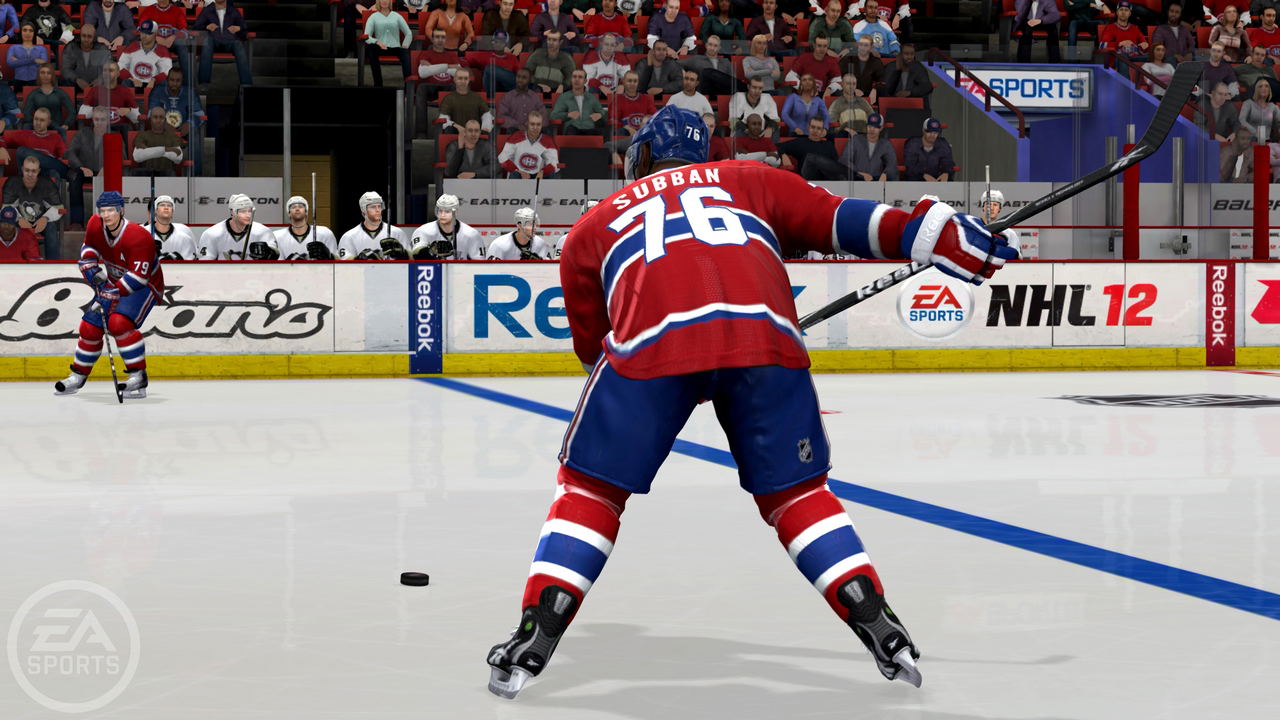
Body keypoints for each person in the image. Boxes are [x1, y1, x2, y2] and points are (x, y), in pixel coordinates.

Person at [485, 104, 1014, 700]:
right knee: (798, 495)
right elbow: (845, 220)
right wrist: (930, 234)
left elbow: (592, 348)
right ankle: (879, 624)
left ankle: (537, 632)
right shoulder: (750, 178)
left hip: (652, 349)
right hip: (765, 338)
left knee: (592, 489)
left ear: (643, 156)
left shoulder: (592, 225)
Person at [53, 191, 161, 400]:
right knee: (89, 326)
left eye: (111, 210)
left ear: (121, 211)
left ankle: (138, 376)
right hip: (113, 283)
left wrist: (113, 292)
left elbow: (139, 278)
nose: (106, 215)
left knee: (119, 323)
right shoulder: (95, 224)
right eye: (102, 211)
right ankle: (78, 375)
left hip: (145, 286)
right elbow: (89, 247)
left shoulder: (139, 236)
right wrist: (89, 265)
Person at [3, 155, 62, 259]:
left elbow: (61, 209)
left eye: (34, 171)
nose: (30, 174)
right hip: (17, 221)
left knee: (51, 227)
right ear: (22, 169)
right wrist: (18, 219)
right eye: (27, 170)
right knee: (8, 225)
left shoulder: (47, 184)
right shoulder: (12, 182)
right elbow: (6, 208)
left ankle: (53, 263)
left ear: (39, 171)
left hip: (40, 221)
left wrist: (45, 218)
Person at [198, 194, 281, 260]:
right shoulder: (212, 234)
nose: (248, 215)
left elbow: (275, 254)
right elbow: (205, 264)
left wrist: (269, 252)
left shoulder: (263, 231)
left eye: (250, 211)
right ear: (232, 212)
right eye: (243, 211)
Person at [65, 107, 107, 229]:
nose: (99, 123)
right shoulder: (82, 133)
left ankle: (106, 222)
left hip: (105, 171)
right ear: (92, 119)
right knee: (74, 177)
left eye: (102, 119)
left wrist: (106, 167)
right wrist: (81, 167)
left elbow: (121, 156)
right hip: (84, 170)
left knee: (114, 177)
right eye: (97, 119)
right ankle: (77, 222)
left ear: (107, 120)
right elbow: (70, 153)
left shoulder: (114, 135)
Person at [411, 193, 487, 259]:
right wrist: (430, 252)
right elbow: (416, 254)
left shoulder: (471, 234)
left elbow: (479, 263)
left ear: (456, 211)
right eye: (440, 211)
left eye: (447, 211)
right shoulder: (423, 231)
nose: (442, 215)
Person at [337, 191, 410, 260]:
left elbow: (411, 261)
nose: (378, 210)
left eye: (379, 206)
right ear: (363, 210)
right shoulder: (349, 237)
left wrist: (404, 254)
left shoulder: (397, 233)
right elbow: (343, 264)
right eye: (373, 207)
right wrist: (358, 260)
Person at [195, 0, 253, 87]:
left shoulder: (233, 11)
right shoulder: (207, 10)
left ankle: (247, 86)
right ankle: (204, 85)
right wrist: (206, 27)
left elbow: (244, 27)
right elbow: (196, 27)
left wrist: (239, 28)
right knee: (207, 42)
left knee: (238, 44)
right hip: (213, 40)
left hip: (230, 41)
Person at [0, 106, 67, 178]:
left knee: (53, 173)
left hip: (45, 175)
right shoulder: (24, 135)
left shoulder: (56, 138)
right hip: (27, 173)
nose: (38, 123)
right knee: (21, 151)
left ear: (48, 122)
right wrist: (1, 148)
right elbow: (2, 138)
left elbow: (64, 156)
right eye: (36, 119)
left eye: (42, 120)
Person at [607, 70, 657, 163]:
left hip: (644, 137)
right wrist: (626, 127)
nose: (632, 84)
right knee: (611, 141)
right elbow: (612, 121)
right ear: (624, 82)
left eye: (635, 81)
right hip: (628, 137)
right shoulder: (617, 100)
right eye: (629, 81)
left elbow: (656, 117)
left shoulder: (646, 99)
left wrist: (645, 123)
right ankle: (620, 167)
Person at [363, 0, 413, 87]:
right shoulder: (373, 17)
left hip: (395, 47)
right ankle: (378, 84)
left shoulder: (397, 16)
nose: (384, 1)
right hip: (380, 47)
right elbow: (366, 36)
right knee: (371, 49)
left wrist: (405, 45)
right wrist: (377, 42)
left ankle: (408, 88)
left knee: (405, 52)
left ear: (390, 1)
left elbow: (408, 33)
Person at [275, 196, 338, 260]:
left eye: (300, 206)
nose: (297, 209)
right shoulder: (277, 236)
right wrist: (288, 263)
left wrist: (329, 256)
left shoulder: (325, 233)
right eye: (293, 207)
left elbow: (338, 260)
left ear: (306, 212)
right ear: (289, 213)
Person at [499, 110, 560, 178]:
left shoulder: (547, 141)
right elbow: (502, 157)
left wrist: (543, 172)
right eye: (532, 124)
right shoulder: (516, 137)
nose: (535, 127)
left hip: (538, 176)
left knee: (552, 174)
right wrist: (517, 170)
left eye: (538, 124)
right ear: (527, 123)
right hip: (519, 175)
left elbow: (554, 163)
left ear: (542, 125)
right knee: (514, 174)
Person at [82, 62, 140, 130]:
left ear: (118, 74)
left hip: (120, 128)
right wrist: (94, 110)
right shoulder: (95, 90)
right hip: (99, 127)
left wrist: (129, 110)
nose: (107, 73)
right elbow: (82, 112)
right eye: (105, 70)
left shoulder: (125, 91)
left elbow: (137, 116)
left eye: (111, 70)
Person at [149, 67, 206, 137]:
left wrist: (190, 123)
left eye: (178, 80)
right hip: (162, 130)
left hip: (184, 130)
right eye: (172, 80)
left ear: (182, 81)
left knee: (194, 130)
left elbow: (199, 113)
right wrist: (164, 124)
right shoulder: (158, 91)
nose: (175, 83)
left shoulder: (189, 93)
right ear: (167, 80)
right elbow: (151, 112)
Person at [118, 20, 173, 91]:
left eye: (148, 33)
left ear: (155, 34)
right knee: (126, 82)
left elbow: (167, 71)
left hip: (152, 84)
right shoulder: (132, 46)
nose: (144, 36)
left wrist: (154, 80)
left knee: (164, 84)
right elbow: (120, 66)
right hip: (133, 82)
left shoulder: (162, 50)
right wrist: (131, 78)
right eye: (142, 32)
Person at [841, 111, 897, 180]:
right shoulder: (855, 140)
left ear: (881, 128)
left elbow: (892, 162)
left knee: (893, 176)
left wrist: (885, 173)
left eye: (875, 127)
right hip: (857, 178)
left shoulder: (886, 144)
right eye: (870, 126)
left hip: (877, 179)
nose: (872, 129)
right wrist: (859, 173)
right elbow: (845, 160)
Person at [131, 106, 184, 175]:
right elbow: (137, 157)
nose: (158, 120)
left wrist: (149, 151)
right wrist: (167, 149)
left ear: (165, 120)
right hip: (145, 173)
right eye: (155, 117)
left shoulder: (172, 137)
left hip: (167, 174)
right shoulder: (142, 135)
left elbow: (178, 158)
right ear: (150, 119)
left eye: (161, 117)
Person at [551, 69, 607, 134]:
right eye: (574, 77)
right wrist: (567, 115)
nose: (576, 79)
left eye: (580, 77)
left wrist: (600, 115)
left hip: (590, 128)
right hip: (572, 128)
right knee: (571, 129)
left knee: (604, 131)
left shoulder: (592, 98)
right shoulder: (564, 97)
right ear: (571, 80)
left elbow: (602, 112)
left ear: (585, 81)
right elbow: (554, 115)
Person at [144, 194, 198, 261]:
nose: (166, 208)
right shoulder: (143, 233)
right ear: (155, 211)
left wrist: (178, 260)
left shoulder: (185, 238)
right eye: (162, 205)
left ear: (172, 211)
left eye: (169, 206)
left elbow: (191, 262)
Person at [487, 206, 553, 259]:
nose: (534, 227)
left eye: (535, 224)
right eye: (530, 224)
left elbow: (549, 269)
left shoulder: (541, 244)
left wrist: (538, 263)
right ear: (519, 225)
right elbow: (491, 270)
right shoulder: (499, 245)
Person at [62, 24, 112, 93]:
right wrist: (77, 79)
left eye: (89, 36)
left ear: (94, 37)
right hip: (75, 84)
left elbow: (110, 68)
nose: (86, 39)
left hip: (98, 85)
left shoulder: (102, 49)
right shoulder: (71, 47)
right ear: (80, 35)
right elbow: (66, 69)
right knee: (65, 83)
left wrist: (101, 79)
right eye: (84, 36)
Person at [439, 67, 493, 132]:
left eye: (466, 78)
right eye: (460, 78)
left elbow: (487, 114)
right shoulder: (449, 98)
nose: (463, 81)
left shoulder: (477, 97)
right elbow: (443, 118)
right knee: (448, 128)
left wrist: (485, 127)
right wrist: (456, 126)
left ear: (469, 80)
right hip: (455, 132)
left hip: (474, 133)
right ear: (455, 79)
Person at [880, 44, 932, 112]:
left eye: (912, 54)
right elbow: (885, 87)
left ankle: (924, 116)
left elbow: (927, 86)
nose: (909, 57)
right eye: (906, 54)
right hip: (893, 102)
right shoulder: (891, 67)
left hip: (913, 101)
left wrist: (910, 93)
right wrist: (897, 94)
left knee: (924, 95)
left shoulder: (919, 67)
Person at [903, 117, 955, 181]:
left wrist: (946, 173)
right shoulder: (912, 144)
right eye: (929, 132)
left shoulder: (943, 144)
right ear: (923, 131)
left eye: (935, 132)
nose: (932, 135)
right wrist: (923, 175)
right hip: (917, 182)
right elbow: (909, 167)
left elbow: (948, 163)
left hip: (937, 181)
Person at [838, 35, 880, 104]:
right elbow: (839, 77)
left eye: (866, 45)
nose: (863, 48)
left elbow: (882, 80)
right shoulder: (848, 59)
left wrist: (875, 89)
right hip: (848, 93)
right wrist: (851, 89)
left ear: (871, 47)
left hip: (868, 94)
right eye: (861, 45)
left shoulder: (876, 62)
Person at [7, 22, 49, 88]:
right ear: (21, 32)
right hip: (18, 81)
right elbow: (10, 63)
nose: (27, 33)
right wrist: (34, 60)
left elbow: (44, 63)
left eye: (30, 31)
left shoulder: (41, 49)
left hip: (35, 80)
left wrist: (18, 61)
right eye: (25, 30)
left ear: (34, 33)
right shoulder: (13, 48)